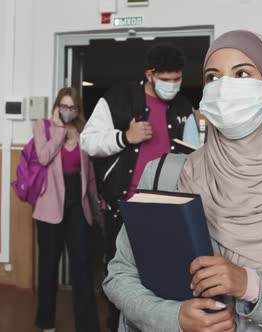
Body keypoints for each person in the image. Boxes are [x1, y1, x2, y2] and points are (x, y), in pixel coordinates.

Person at [103, 30, 262, 331]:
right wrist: (174, 318)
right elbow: (120, 275)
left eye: (242, 73)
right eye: (212, 77)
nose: (224, 87)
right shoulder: (167, 174)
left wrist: (251, 285)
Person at [80, 44, 194, 331]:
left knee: (167, 277)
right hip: (124, 208)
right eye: (165, 79)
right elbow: (88, 141)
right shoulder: (118, 98)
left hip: (170, 209)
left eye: (176, 79)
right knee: (122, 278)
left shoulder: (183, 107)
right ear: (149, 74)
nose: (172, 86)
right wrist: (124, 137)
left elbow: (197, 153)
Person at [32, 87, 100, 332]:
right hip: (50, 207)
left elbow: (89, 174)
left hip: (77, 207)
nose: (67, 111)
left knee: (82, 265)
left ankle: (88, 326)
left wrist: (95, 206)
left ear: (78, 110)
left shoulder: (83, 133)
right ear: (56, 106)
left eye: (72, 107)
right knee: (49, 266)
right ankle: (46, 322)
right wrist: (59, 130)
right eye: (63, 106)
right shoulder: (43, 127)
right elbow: (43, 157)